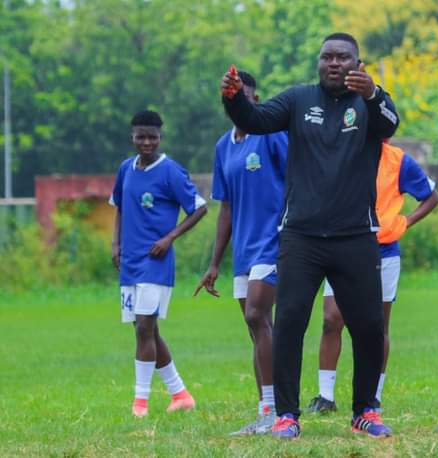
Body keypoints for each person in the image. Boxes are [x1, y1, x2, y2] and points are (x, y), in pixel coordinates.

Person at [221, 32, 399, 439]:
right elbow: (255, 120)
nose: (334, 63)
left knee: (370, 326)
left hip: (356, 234)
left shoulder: (370, 102)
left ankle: (364, 411)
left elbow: (391, 123)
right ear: (319, 62)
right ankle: (287, 415)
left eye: (343, 57)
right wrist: (233, 99)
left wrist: (373, 94)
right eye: (327, 57)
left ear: (357, 63)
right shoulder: (298, 100)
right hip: (301, 237)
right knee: (289, 324)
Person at [307, 140, 438, 413]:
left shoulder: (398, 161)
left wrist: (404, 222)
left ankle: (373, 396)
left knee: (377, 327)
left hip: (383, 252)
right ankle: (325, 396)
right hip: (342, 247)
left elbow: (431, 197)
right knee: (332, 319)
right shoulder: (341, 151)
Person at [195, 72, 288, 435]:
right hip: (243, 250)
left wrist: (292, 229)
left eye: (244, 95)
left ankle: (277, 410)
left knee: (257, 315)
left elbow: (296, 179)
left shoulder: (271, 134)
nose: (238, 100)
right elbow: (226, 208)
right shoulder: (223, 146)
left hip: (273, 242)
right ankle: (269, 409)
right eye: (232, 96)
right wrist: (214, 263)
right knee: (257, 329)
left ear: (255, 99)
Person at [110, 110, 207, 417]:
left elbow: (199, 208)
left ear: (160, 138)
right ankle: (180, 394)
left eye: (152, 137)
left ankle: (140, 403)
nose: (147, 142)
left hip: (156, 262)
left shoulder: (171, 171)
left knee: (144, 328)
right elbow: (120, 207)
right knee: (145, 330)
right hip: (130, 262)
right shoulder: (125, 169)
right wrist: (115, 244)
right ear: (132, 137)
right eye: (141, 136)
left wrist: (170, 237)